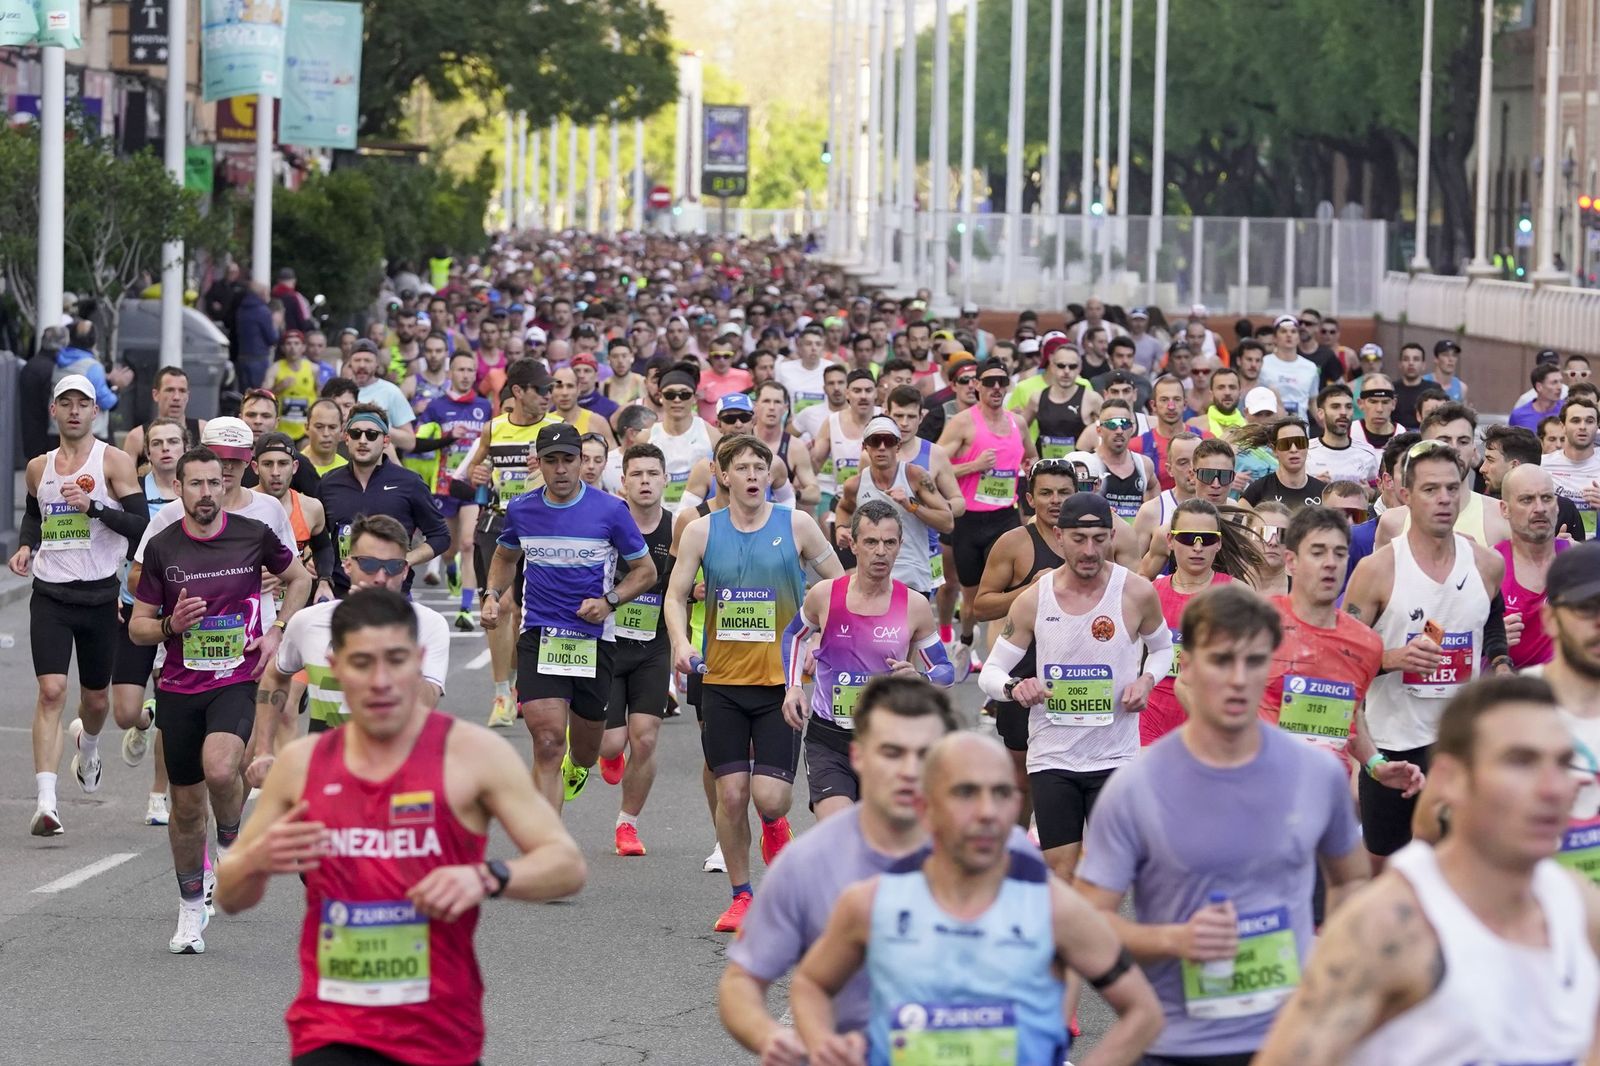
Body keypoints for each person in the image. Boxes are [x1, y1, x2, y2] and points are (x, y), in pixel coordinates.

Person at [216, 588, 587, 1066]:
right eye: (362, 662)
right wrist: (256, 863)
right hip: (329, 1030)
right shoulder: (303, 764)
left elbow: (566, 866)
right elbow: (228, 894)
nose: (381, 680)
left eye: (395, 660)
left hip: (439, 1034)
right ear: (335, 665)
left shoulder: (471, 754)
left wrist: (486, 877)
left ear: (418, 660)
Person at [1076, 583, 1370, 1065]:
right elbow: (1089, 927)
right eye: (1220, 660)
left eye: (1254, 662)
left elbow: (1353, 878)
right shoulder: (1137, 786)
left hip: (1289, 1044)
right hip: (1176, 1049)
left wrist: (1330, 963)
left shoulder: (1315, 774)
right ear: (1186, 666)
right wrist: (1175, 940)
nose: (1238, 679)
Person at [1254, 676, 1600, 1066]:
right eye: (1520, 762)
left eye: (1563, 762)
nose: (1553, 788)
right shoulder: (1388, 927)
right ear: (1451, 779)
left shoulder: (1579, 906)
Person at [789, 731, 1164, 1066]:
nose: (987, 812)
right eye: (966, 792)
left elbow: (1142, 1011)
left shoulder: (1052, 907)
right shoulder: (870, 903)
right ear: (925, 806)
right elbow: (810, 985)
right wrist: (823, 1046)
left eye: (1001, 793)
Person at [720, 678, 973, 1061]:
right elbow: (740, 983)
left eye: (924, 754)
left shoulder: (995, 855)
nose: (908, 769)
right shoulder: (806, 863)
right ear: (858, 756)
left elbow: (1072, 956)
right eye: (891, 752)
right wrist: (769, 1035)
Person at [130, 444, 313, 952]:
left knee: (220, 767)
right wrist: (170, 623)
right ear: (179, 489)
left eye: (215, 483)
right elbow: (139, 629)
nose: (208, 493)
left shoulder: (253, 534)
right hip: (179, 684)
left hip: (236, 677)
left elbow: (300, 579)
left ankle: (231, 839)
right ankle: (191, 908)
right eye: (197, 484)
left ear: (225, 485)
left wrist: (277, 629)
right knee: (186, 810)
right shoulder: (164, 546)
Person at [665, 433, 842, 932]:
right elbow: (675, 596)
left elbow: (837, 587)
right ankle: (742, 896)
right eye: (740, 468)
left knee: (770, 799)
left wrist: (818, 640)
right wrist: (681, 642)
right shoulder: (702, 531)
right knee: (732, 795)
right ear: (723, 475)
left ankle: (774, 824)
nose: (750, 477)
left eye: (758, 469)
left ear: (769, 476)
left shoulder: (798, 524)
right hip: (721, 680)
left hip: (779, 685)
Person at [978, 492, 1172, 882]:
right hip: (1053, 757)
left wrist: (1147, 680)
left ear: (1112, 537)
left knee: (1107, 873)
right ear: (1059, 535)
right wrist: (1015, 687)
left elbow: (1163, 648)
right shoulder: (1035, 599)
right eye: (1079, 539)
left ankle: (1095, 940)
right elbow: (992, 671)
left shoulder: (1135, 592)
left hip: (1115, 756)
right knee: (1061, 871)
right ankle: (1066, 942)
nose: (1089, 550)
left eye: (1100, 538)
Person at [1344, 439, 1510, 863]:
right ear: (1406, 494)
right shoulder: (1377, 570)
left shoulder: (1486, 564)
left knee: (1459, 866)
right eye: (1430, 489)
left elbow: (1489, 618)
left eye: (1452, 489)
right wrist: (1389, 659)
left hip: (1457, 744)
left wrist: (1502, 661)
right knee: (1389, 865)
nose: (1444, 499)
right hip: (1392, 743)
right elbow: (1341, 660)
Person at [480, 422, 656, 813]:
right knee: (546, 742)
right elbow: (505, 556)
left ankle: (578, 765)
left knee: (587, 748)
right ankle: (547, 847)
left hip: (593, 640)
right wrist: (492, 594)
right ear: (538, 464)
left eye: (568, 460)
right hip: (540, 635)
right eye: (551, 461)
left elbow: (646, 571)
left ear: (581, 463)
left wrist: (609, 601)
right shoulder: (522, 510)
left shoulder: (611, 510)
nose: (561, 469)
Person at [9, 374, 148, 835]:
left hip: (99, 597)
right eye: (64, 403)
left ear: (94, 411)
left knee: (96, 698)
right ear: (53, 410)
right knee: (51, 692)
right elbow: (35, 513)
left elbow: (140, 527)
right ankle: (46, 803)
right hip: (50, 594)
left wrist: (95, 508)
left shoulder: (115, 461)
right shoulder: (38, 466)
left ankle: (87, 747)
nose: (73, 410)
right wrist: (28, 545)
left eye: (82, 403)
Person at [782, 501, 952, 820]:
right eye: (871, 542)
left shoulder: (914, 606)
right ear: (853, 544)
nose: (880, 552)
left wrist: (922, 681)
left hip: (888, 743)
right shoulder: (825, 595)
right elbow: (793, 635)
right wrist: (792, 688)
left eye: (889, 543)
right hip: (829, 737)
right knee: (839, 833)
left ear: (899, 546)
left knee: (882, 841)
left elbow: (945, 671)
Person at [249, 513, 450, 766]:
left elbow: (424, 704)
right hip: (330, 771)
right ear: (348, 566)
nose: (379, 577)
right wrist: (264, 750)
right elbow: (274, 676)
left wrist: (385, 629)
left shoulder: (428, 624)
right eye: (368, 564)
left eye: (392, 567)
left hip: (401, 768)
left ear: (405, 571)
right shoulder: (309, 622)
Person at [1258, 506, 1423, 798]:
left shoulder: (1366, 643)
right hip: (1258, 794)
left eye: (1339, 553)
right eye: (1318, 552)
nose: (1330, 563)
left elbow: (1350, 715)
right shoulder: (1255, 624)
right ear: (1291, 562)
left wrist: (1375, 764)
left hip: (1325, 800)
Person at [460, 359, 560, 727]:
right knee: (499, 606)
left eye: (551, 390)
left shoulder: (555, 428)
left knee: (521, 612)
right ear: (518, 392)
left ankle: (517, 685)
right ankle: (501, 693)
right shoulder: (493, 428)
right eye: (542, 390)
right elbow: (472, 472)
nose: (550, 396)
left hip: (541, 524)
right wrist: (478, 473)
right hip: (499, 522)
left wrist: (548, 469)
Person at [594, 443, 675, 857]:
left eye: (652, 474)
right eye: (637, 475)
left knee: (644, 740)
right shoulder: (609, 523)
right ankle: (606, 754)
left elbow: (686, 585)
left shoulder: (678, 529)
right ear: (623, 482)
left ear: (666, 479)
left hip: (652, 647)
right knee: (610, 745)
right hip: (609, 643)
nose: (645, 481)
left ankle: (628, 824)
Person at [938, 359, 1036, 669]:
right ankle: (966, 640)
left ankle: (999, 665)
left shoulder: (1017, 424)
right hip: (968, 521)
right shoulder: (963, 423)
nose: (996, 388)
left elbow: (1031, 457)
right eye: (989, 382)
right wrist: (974, 466)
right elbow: (934, 466)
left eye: (1001, 382)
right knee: (971, 603)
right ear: (976, 385)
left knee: (1005, 598)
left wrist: (1030, 468)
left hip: (1004, 520)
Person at [1140, 499, 1261, 744]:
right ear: (1171, 542)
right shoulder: (1149, 593)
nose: (1197, 547)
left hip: (1212, 722)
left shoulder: (1238, 595)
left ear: (1218, 544)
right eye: (1187, 538)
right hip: (1151, 721)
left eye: (1206, 539)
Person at [317, 405, 450, 598]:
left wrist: (405, 559)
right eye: (356, 434)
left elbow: (441, 536)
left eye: (371, 435)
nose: (363, 440)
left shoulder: (409, 483)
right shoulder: (328, 483)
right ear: (346, 438)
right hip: (340, 594)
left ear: (386, 440)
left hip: (393, 594)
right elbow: (317, 537)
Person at [832, 415, 953, 599]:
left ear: (897, 446)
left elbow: (947, 522)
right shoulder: (855, 484)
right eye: (875, 441)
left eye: (888, 441)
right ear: (865, 447)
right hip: (870, 576)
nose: (882, 447)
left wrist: (911, 505)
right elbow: (844, 508)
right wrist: (841, 528)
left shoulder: (915, 476)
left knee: (904, 628)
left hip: (911, 574)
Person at [416, 350, 495, 629]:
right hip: (443, 484)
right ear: (450, 373)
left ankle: (465, 610)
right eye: (460, 370)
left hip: (472, 485)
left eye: (470, 371)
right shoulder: (436, 406)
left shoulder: (484, 406)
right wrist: (447, 436)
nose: (465, 375)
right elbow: (418, 438)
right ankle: (450, 568)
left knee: (467, 544)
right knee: (449, 548)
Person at [1493, 464, 1571, 671]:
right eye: (1527, 500)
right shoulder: (1488, 565)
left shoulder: (1578, 561)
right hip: (1506, 693)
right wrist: (1489, 639)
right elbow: (1452, 637)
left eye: (1547, 498)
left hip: (1567, 695)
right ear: (1505, 509)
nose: (1540, 508)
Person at [251, 432, 335, 601]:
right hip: (252, 604)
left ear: (295, 466)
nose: (275, 472)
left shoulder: (311, 508)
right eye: (268, 464)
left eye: (283, 464)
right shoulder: (239, 507)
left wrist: (324, 581)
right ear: (255, 467)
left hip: (295, 604)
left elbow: (323, 548)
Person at [650, 362, 719, 513]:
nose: (677, 400)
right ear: (660, 396)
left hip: (701, 518)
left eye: (684, 394)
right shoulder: (646, 436)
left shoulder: (711, 435)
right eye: (670, 394)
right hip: (659, 518)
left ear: (694, 398)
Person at [1542, 395, 1600, 538]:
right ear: (1562, 426)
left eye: (1589, 421)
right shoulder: (1542, 464)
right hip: (1555, 547)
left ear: (1598, 426)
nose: (1582, 426)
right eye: (1575, 420)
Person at [344, 341, 417, 451]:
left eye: (368, 360)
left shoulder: (391, 391)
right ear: (350, 363)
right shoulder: (341, 391)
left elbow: (410, 442)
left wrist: (377, 424)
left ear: (377, 364)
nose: (362, 365)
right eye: (357, 360)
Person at [1242, 418, 1327, 512]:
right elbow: (1239, 525)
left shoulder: (1323, 492)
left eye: (1300, 442)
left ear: (1307, 446)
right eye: (1285, 444)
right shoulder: (1256, 491)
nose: (1293, 449)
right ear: (1274, 450)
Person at [1305, 383, 1380, 485]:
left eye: (1348, 407)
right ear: (1320, 413)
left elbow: (1379, 491)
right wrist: (1312, 487)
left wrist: (1371, 493)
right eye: (1335, 407)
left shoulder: (1368, 453)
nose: (1343, 412)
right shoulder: (1306, 452)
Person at [1258, 315, 1321, 420]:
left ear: (1298, 337)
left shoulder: (1310, 367)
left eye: (1293, 331)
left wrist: (1324, 424)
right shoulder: (1263, 363)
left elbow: (1313, 401)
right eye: (1283, 331)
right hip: (1270, 428)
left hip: (1301, 429)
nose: (1289, 335)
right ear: (1274, 338)